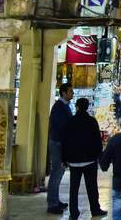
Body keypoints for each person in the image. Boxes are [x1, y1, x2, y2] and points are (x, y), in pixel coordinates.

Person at [62, 98, 106, 219]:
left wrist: (64, 159)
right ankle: (95, 209)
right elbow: (98, 141)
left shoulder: (71, 121)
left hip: (74, 161)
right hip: (89, 160)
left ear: (77, 107)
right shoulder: (91, 121)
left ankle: (74, 212)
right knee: (92, 187)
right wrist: (98, 156)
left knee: (74, 188)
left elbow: (65, 141)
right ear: (87, 107)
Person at [47, 83, 74, 214]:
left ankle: (55, 200)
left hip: (60, 142)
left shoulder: (64, 106)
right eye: (70, 91)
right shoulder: (59, 107)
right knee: (56, 172)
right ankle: (52, 203)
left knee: (59, 172)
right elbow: (60, 126)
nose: (72, 93)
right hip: (57, 142)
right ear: (63, 93)